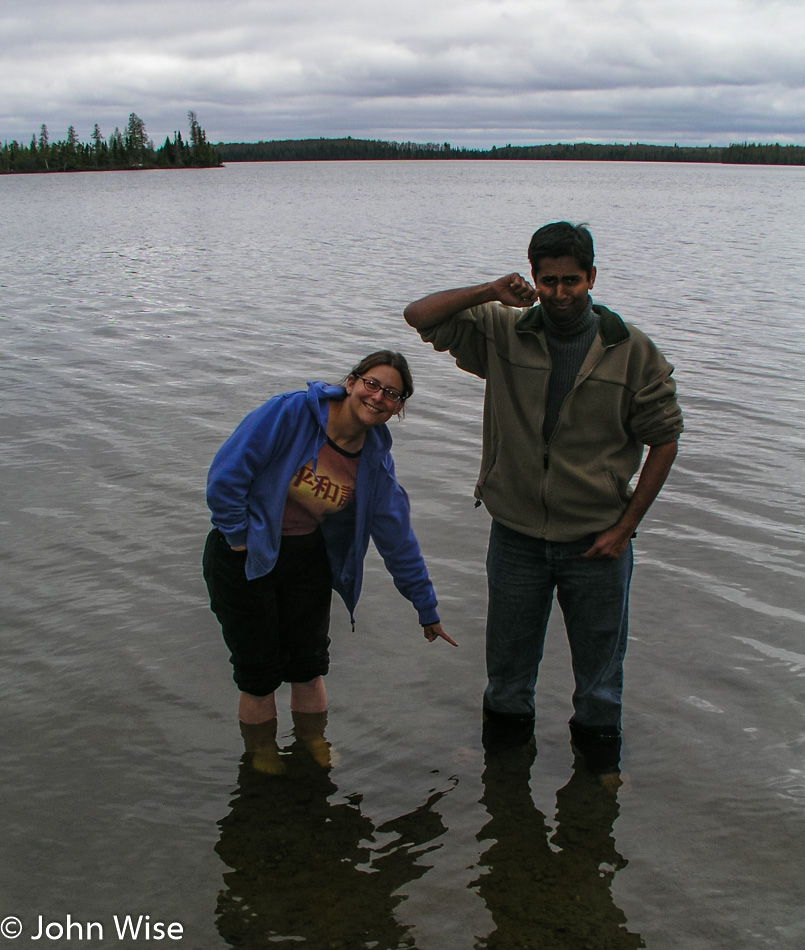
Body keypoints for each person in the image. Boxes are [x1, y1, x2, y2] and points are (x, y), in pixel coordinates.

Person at [404, 222, 682, 760]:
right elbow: (420, 315)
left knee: (600, 686)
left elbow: (665, 440)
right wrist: (489, 291)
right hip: (516, 539)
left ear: (592, 278)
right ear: (532, 276)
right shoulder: (503, 332)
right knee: (506, 682)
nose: (559, 292)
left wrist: (626, 529)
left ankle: (597, 782)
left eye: (571, 280)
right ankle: (504, 791)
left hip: (598, 544)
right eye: (549, 280)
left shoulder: (632, 351)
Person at [203, 350, 456, 762]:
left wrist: (425, 606)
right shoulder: (290, 413)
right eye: (372, 384)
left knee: (309, 665)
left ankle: (312, 742)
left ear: (399, 407)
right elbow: (226, 475)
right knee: (258, 673)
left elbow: (397, 537)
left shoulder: (375, 462)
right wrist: (237, 538)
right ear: (352, 382)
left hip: (306, 558)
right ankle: (262, 753)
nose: (378, 397)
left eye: (391, 393)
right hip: (244, 556)